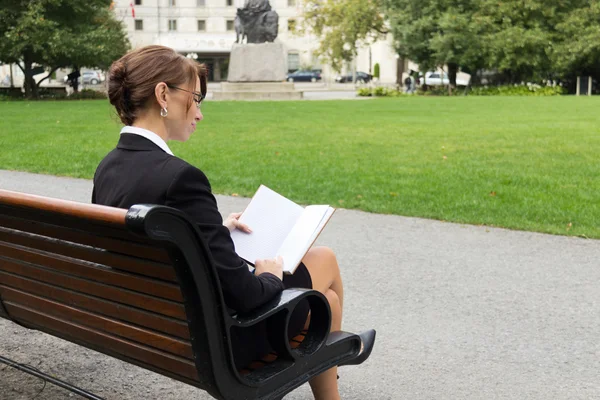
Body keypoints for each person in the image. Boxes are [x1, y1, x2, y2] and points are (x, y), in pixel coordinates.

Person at [92, 45, 370, 400]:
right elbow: (246, 295)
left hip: (154, 324)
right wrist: (270, 274)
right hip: (221, 339)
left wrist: (212, 232)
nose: (200, 113)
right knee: (325, 265)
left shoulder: (109, 168)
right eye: (195, 97)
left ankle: (328, 379)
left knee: (325, 301)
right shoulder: (181, 178)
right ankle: (331, 362)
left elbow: (141, 248)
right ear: (163, 94)